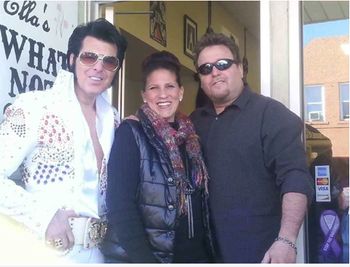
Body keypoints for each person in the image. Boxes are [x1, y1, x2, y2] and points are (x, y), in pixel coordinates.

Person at [0, 18, 127, 263]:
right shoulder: (35, 106)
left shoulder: (113, 120)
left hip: (99, 255)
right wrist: (43, 216)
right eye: (89, 57)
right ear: (72, 60)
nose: (98, 68)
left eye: (109, 61)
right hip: (43, 253)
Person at [190, 32, 314, 263]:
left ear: (241, 69)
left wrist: (286, 240)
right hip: (204, 253)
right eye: (205, 68)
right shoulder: (194, 122)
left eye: (223, 64)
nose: (214, 72)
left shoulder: (272, 115)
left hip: (259, 254)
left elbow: (295, 178)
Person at [101, 51, 215, 263]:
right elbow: (120, 205)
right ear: (144, 95)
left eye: (170, 86)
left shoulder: (191, 137)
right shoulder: (131, 133)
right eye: (154, 88)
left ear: (180, 92)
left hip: (192, 256)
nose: (163, 95)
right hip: (150, 258)